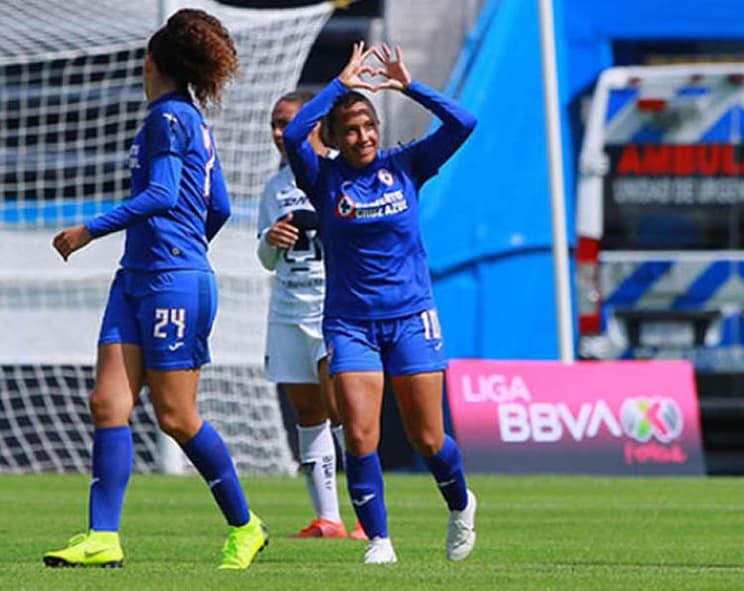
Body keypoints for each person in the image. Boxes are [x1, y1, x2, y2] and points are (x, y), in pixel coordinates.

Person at [44, 9, 268, 570]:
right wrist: (187, 245)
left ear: (151, 62)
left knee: (176, 416)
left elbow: (164, 195)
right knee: (108, 403)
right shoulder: (190, 121)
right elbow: (219, 206)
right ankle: (103, 537)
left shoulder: (168, 118)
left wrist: (88, 230)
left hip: (171, 282)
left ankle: (246, 526)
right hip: (138, 277)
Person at [283, 41, 477, 564]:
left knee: (428, 439)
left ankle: (461, 504)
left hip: (412, 317)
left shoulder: (406, 165)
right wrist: (340, 86)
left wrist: (409, 87)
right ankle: (379, 540)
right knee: (360, 435)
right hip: (351, 325)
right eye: (351, 130)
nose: (364, 136)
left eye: (369, 126)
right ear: (335, 138)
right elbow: (296, 132)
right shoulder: (322, 178)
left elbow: (464, 123)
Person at [256, 89, 366, 540]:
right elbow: (266, 260)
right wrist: (271, 240)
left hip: (332, 308)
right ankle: (328, 518)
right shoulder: (275, 187)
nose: (279, 132)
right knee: (307, 411)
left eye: (287, 122)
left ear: (314, 124)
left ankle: (368, 517)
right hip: (287, 308)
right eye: (275, 124)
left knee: (342, 410)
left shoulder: (341, 172)